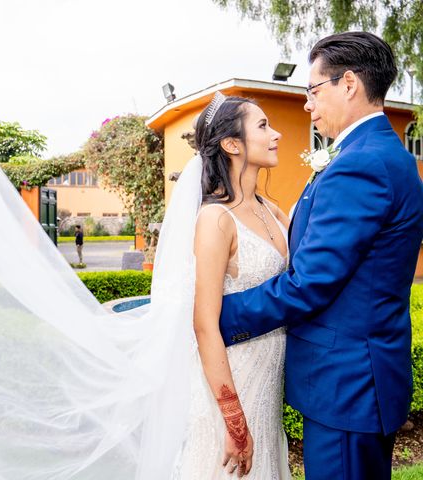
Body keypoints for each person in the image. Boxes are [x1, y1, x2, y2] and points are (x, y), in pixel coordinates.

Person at [218, 32, 423, 479]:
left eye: (313, 91)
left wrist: (218, 315)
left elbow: (311, 281)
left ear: (348, 83)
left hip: (346, 386)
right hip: (352, 381)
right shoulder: (373, 154)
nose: (308, 105)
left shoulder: (361, 163)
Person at [171, 91, 291, 479]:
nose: (276, 135)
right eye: (263, 126)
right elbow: (204, 325)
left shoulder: (272, 210)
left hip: (268, 387)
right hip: (232, 385)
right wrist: (235, 423)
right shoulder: (215, 219)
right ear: (232, 143)